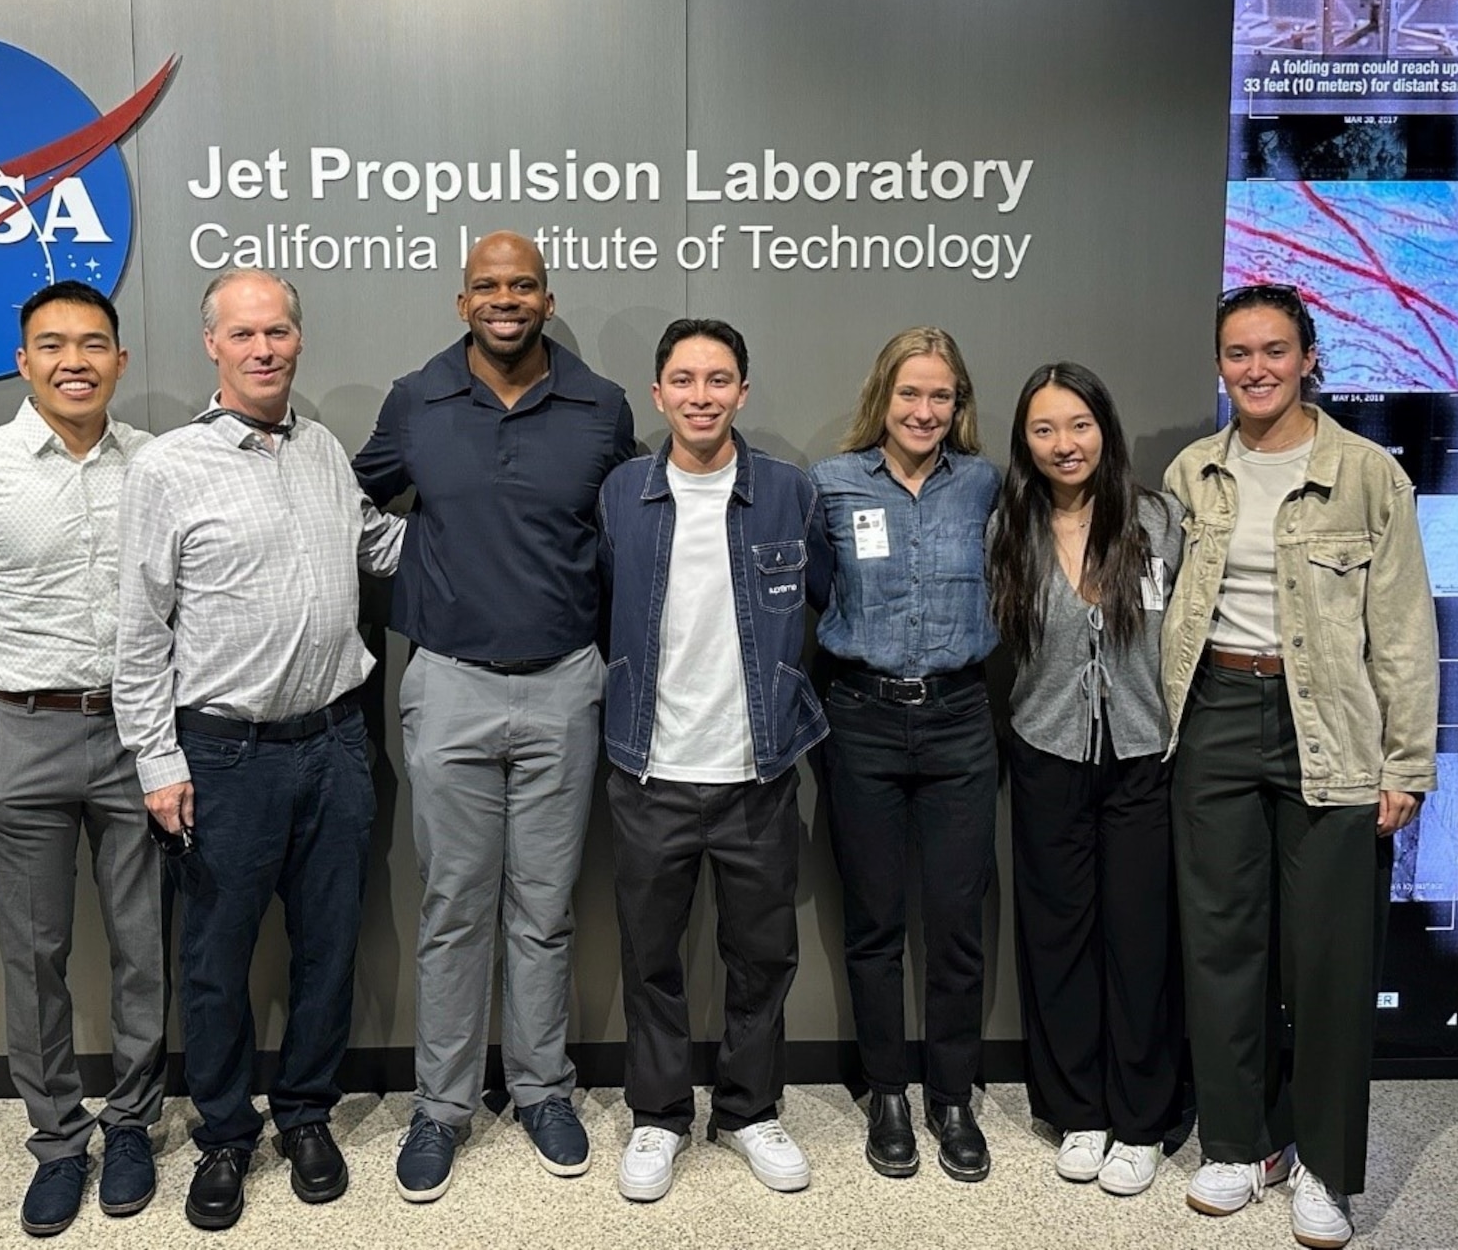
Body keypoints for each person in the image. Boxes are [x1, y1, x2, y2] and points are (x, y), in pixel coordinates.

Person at [113, 269, 405, 1231]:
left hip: (335, 744)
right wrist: (158, 761)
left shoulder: (323, 449)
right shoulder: (166, 468)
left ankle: (308, 1113)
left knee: (327, 947)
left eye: (278, 329)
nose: (265, 347)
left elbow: (378, 545)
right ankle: (228, 1134)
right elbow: (138, 630)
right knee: (216, 959)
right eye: (245, 333)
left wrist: (494, 517)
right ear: (212, 344)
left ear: (298, 338)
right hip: (224, 757)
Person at [353, 230, 635, 1202]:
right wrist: (416, 559)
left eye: (521, 285)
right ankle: (440, 1105)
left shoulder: (600, 407)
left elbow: (629, 527)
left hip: (564, 680)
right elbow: (340, 498)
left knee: (545, 907)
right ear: (460, 298)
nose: (503, 298)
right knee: (451, 906)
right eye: (486, 284)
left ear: (547, 299)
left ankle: (541, 1087)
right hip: (450, 682)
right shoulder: (415, 399)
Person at [1164, 282, 1437, 1249]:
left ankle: (1325, 1165)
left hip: (1332, 729)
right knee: (1222, 945)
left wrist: (1406, 761)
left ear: (1309, 357)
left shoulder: (1367, 475)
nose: (1256, 368)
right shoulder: (1193, 472)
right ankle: (1240, 1144)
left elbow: (1404, 629)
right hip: (1215, 719)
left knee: (1327, 962)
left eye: (1274, 349)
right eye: (1238, 353)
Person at [0, 281, 163, 1237]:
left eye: (93, 343)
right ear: (23, 361)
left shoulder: (157, 466)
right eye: (52, 344)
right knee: (36, 954)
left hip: (138, 734)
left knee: (143, 947)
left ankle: (132, 1122)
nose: (74, 360)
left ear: (121, 360)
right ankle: (59, 1141)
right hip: (19, 733)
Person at [596, 318, 834, 1203]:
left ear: (743, 391)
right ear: (658, 394)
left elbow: (822, 608)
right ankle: (657, 1118)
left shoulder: (788, 494)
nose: (702, 395)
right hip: (649, 770)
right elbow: (600, 606)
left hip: (758, 772)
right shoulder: (622, 493)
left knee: (763, 953)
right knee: (650, 954)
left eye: (720, 378)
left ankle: (748, 1109)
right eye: (684, 380)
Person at [809, 327, 1003, 1183]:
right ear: (882, 397)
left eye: (941, 396)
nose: (925, 411)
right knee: (875, 921)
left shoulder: (987, 487)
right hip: (861, 715)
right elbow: (808, 595)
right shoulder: (831, 484)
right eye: (910, 394)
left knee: (959, 922)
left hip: (961, 718)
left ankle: (951, 1095)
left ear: (959, 404)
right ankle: (888, 1090)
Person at [986, 362, 1184, 1197]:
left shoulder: (1159, 520)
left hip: (1142, 756)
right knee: (1057, 934)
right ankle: (1080, 1112)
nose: (1064, 444)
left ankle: (1141, 1119)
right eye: (1044, 428)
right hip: (1046, 752)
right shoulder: (1007, 524)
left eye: (1078, 424)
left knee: (1140, 937)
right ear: (1025, 441)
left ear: (1104, 426)